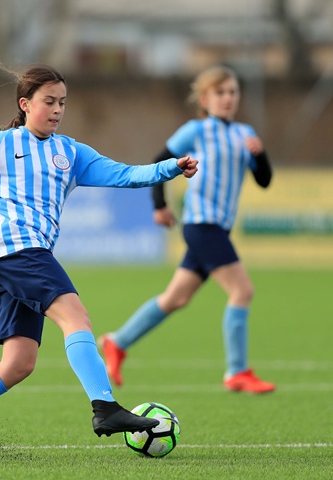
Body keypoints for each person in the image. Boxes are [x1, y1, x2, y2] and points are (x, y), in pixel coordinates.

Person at [0, 64, 198, 451]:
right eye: (49, 101)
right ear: (25, 104)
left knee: (18, 364)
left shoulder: (71, 152)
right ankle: (105, 407)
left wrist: (169, 168)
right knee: (75, 316)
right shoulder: (1, 145)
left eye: (62, 102)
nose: (57, 110)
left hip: (14, 261)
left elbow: (124, 175)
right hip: (17, 251)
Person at [99, 65, 274, 394]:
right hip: (201, 225)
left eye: (232, 92)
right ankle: (237, 371)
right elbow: (159, 161)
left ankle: (117, 341)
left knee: (175, 298)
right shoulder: (195, 131)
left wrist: (260, 155)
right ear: (204, 99)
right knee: (242, 291)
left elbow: (264, 181)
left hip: (217, 228)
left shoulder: (244, 134)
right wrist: (160, 205)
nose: (227, 98)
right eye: (220, 92)